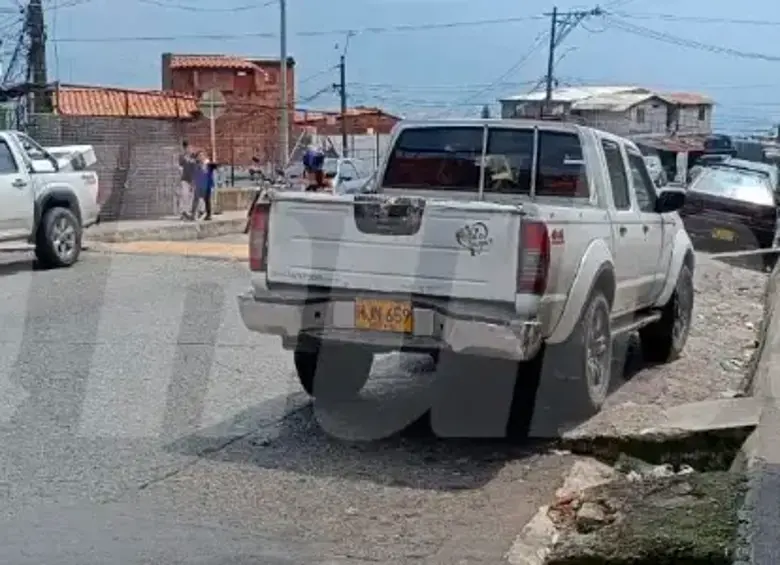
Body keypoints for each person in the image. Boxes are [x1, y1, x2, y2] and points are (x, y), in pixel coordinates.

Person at [190, 152, 216, 220]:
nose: (200, 157)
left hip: (207, 184)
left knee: (207, 200)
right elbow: (194, 175)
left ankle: (208, 215)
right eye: (199, 156)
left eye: (202, 155)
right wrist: (193, 183)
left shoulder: (208, 164)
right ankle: (193, 214)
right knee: (196, 199)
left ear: (204, 156)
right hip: (199, 184)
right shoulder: (196, 165)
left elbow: (212, 173)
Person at [178, 140, 196, 220]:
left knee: (191, 196)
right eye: (187, 147)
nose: (189, 149)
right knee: (184, 195)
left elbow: (196, 167)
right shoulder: (182, 156)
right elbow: (180, 166)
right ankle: (183, 212)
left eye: (190, 147)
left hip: (193, 179)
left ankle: (190, 211)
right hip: (185, 179)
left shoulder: (194, 156)